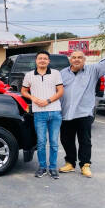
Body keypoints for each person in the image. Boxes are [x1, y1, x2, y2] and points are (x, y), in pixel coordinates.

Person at [59, 48, 105, 177]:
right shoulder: (63, 73)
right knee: (66, 139)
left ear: (84, 60)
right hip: (66, 112)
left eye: (80, 57)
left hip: (84, 112)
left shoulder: (93, 70)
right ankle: (70, 163)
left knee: (84, 140)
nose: (77, 59)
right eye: (74, 57)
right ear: (70, 60)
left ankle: (85, 165)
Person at [21, 51, 64, 179]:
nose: (42, 60)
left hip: (55, 111)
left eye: (45, 58)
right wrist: (33, 98)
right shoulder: (29, 75)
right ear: (36, 60)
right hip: (39, 113)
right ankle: (42, 167)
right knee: (41, 142)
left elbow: (61, 91)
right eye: (40, 58)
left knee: (54, 142)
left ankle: (53, 168)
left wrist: (48, 101)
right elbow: (23, 91)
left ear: (49, 61)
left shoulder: (55, 73)